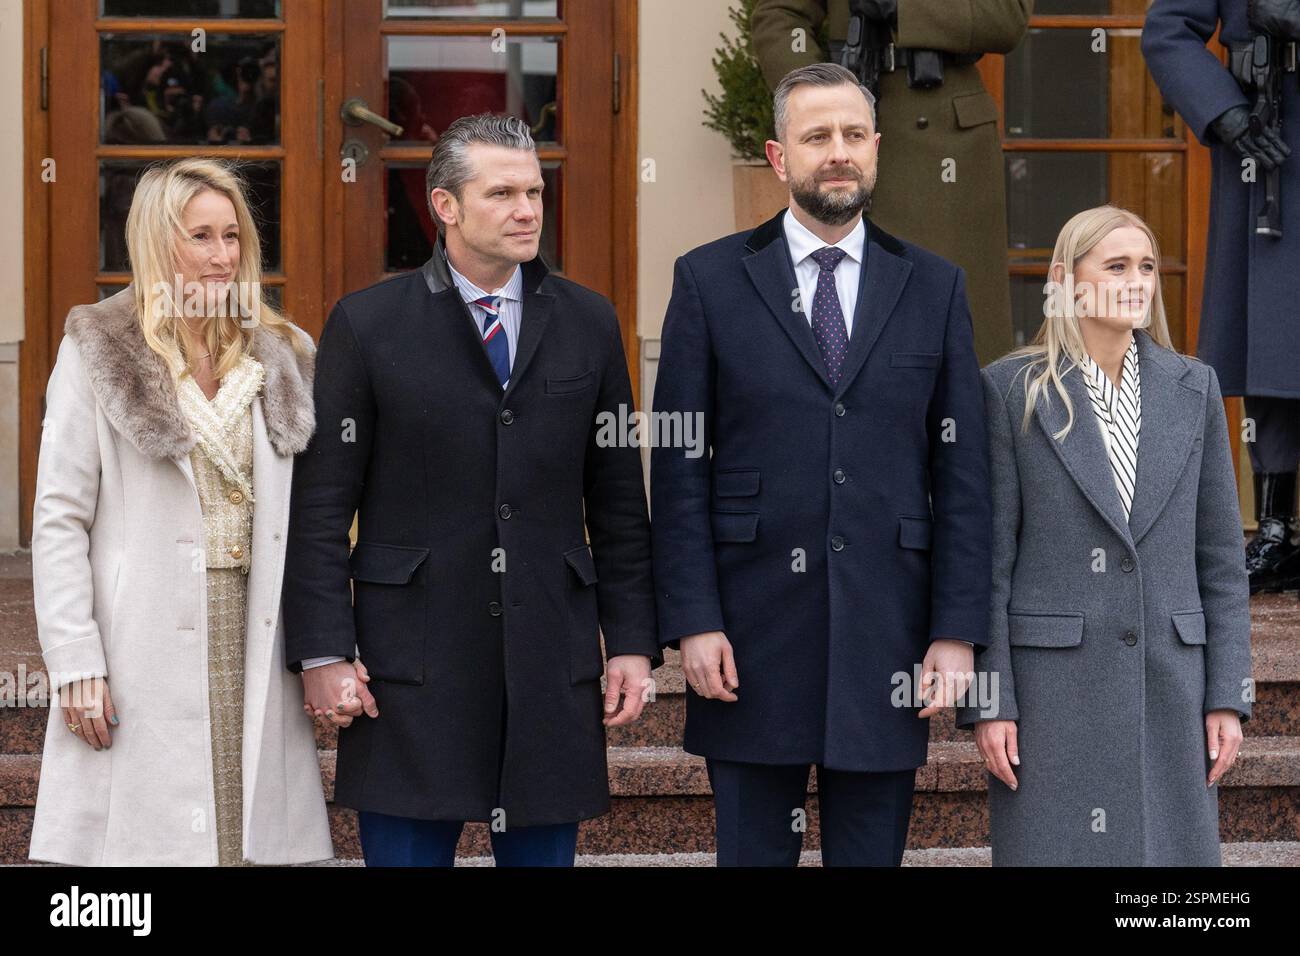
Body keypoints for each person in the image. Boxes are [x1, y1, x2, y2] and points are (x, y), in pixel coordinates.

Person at [283, 113, 659, 868]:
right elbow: (323, 506)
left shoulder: (588, 321)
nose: (528, 210)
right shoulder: (367, 324)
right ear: (445, 207)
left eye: (534, 191)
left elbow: (618, 502)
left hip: (550, 659)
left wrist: (634, 644)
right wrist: (324, 648)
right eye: (503, 194)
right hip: (412, 667)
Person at [651, 63, 991, 866]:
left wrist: (956, 630)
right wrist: (693, 618)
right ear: (778, 157)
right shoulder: (707, 279)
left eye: (851, 136)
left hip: (890, 635)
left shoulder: (936, 287)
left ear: (876, 149)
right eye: (816, 137)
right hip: (747, 632)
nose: (836, 153)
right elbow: (677, 465)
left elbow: (966, 477)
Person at [28, 157, 333, 866]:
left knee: (245, 836)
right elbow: (59, 518)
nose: (223, 255)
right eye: (201, 236)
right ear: (157, 244)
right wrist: (75, 662)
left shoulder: (283, 352)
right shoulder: (98, 349)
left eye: (233, 236)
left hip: (255, 627)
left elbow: (315, 518)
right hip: (137, 638)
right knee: (148, 851)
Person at [957, 205, 1253, 866]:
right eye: (1116, 265)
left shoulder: (1193, 387)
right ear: (1065, 278)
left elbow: (1222, 561)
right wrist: (990, 700)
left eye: (1146, 266)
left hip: (1173, 683)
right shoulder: (1011, 390)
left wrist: (1229, 694)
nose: (1137, 281)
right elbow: (990, 563)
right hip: (1051, 691)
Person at [751, 0, 1033, 367]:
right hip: (846, 123)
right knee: (844, 318)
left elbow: (1006, 16)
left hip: (948, 141)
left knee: (958, 340)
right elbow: (779, 16)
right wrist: (820, 98)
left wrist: (902, 7)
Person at [1143, 0, 1300, 592]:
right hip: (1263, 126)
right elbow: (1168, 31)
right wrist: (1224, 111)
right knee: (1271, 336)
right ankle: (1277, 528)